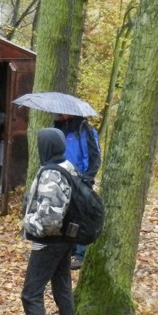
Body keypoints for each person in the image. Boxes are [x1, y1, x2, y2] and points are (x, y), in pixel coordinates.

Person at [11, 128, 78, 315]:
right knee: (62, 288)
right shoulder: (68, 167)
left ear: (46, 147)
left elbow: (48, 220)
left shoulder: (51, 174)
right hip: (66, 240)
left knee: (30, 294)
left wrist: (27, 223)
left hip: (48, 242)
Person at [53, 113, 101, 269]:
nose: (60, 115)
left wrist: (86, 179)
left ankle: (80, 254)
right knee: (65, 215)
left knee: (80, 217)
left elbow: (94, 158)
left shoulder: (84, 130)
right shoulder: (58, 128)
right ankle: (68, 250)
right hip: (61, 178)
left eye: (63, 113)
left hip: (80, 180)